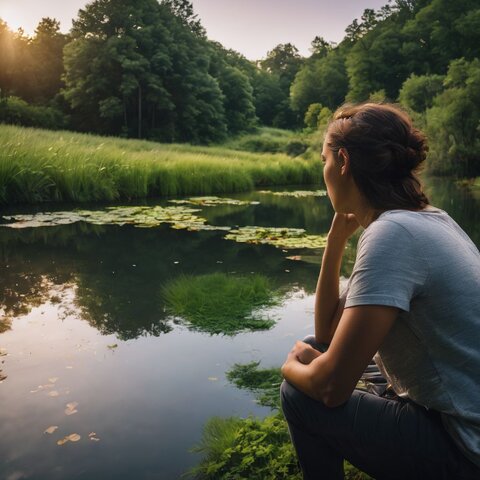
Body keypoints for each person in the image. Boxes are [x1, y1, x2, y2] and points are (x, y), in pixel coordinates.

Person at [280, 103, 480, 480]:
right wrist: (335, 242)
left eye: (323, 160)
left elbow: (331, 390)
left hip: (466, 446)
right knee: (318, 349)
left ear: (343, 161)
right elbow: (327, 334)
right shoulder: (427, 219)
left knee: (299, 394)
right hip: (462, 411)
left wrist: (289, 366)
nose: (323, 171)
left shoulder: (392, 235)